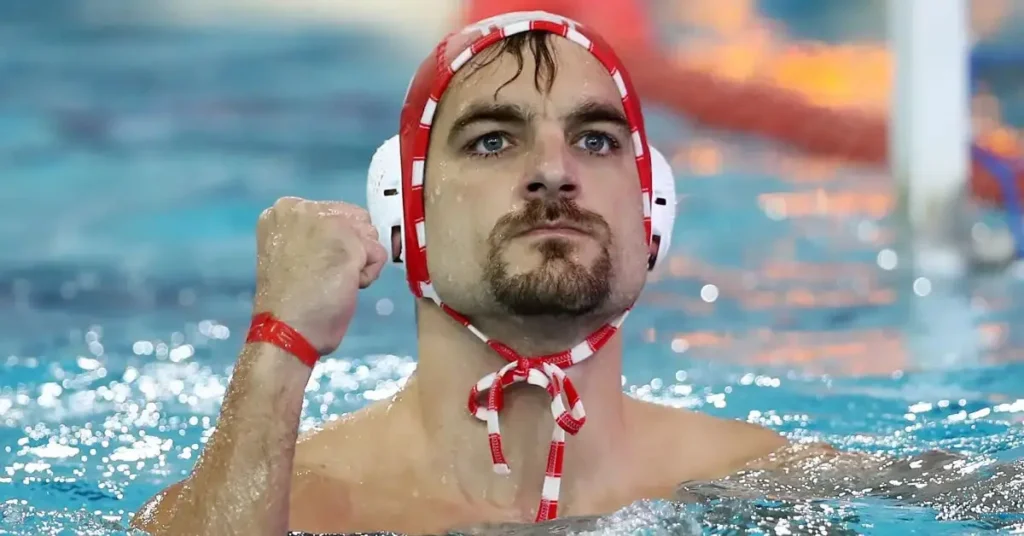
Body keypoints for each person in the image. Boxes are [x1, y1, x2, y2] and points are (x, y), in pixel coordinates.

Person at [129, 11, 791, 536]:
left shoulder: (769, 485)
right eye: (492, 141)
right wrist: (281, 342)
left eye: (596, 139)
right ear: (403, 211)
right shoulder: (296, 503)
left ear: (653, 212)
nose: (554, 171)